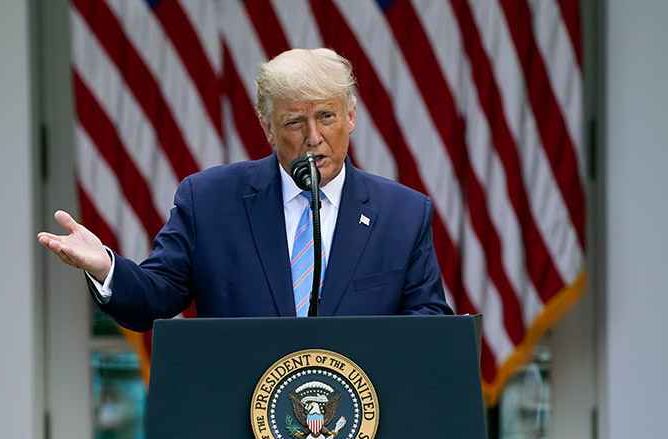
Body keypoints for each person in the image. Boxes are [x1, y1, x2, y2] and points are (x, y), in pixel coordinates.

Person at [37, 47, 452, 331]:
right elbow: (154, 298)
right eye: (294, 122)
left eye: (326, 116)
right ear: (268, 127)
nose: (313, 137)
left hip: (359, 438)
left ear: (352, 117)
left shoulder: (402, 213)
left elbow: (428, 324)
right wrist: (105, 267)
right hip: (242, 437)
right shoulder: (210, 201)